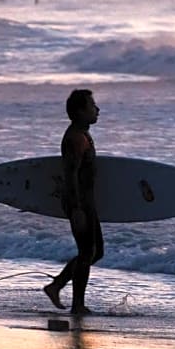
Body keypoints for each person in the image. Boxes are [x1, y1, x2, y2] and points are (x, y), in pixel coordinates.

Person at [43, 89, 103, 314]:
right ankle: (77, 304)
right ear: (79, 112)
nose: (97, 110)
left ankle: (57, 285)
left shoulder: (82, 134)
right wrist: (77, 209)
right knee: (87, 252)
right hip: (79, 203)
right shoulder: (75, 139)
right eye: (92, 106)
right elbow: (70, 175)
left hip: (86, 202)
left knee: (95, 252)